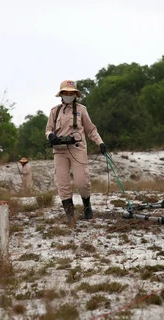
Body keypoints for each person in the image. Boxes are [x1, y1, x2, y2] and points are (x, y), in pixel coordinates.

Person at [45, 80, 107, 228]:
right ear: (61, 94)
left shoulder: (81, 109)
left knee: (82, 181)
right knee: (62, 182)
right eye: (65, 93)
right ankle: (70, 215)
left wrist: (100, 143)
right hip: (59, 151)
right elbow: (48, 129)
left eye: (71, 93)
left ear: (75, 94)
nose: (68, 95)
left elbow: (91, 130)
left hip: (77, 148)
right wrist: (51, 136)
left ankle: (87, 205)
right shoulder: (55, 111)